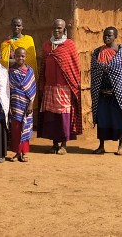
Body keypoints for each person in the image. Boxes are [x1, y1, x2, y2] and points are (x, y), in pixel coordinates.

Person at [37, 18, 82, 155]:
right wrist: (42, 85)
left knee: (63, 116)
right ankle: (54, 144)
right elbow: (43, 66)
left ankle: (63, 144)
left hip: (64, 88)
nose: (57, 30)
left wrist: (75, 85)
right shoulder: (47, 45)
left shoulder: (69, 45)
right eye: (55, 28)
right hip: (50, 87)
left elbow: (75, 67)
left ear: (64, 30)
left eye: (59, 28)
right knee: (51, 116)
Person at [90, 26, 122, 156]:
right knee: (102, 119)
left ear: (115, 36)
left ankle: (121, 145)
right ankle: (101, 146)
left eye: (109, 35)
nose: (106, 37)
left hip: (117, 94)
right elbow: (95, 70)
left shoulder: (121, 52)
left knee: (118, 118)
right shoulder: (97, 52)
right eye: (105, 35)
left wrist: (116, 90)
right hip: (101, 92)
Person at [8, 47, 37, 162]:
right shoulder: (11, 72)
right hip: (15, 104)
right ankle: (17, 152)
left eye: (23, 56)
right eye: (18, 56)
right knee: (16, 129)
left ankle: (24, 152)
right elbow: (8, 89)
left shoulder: (30, 72)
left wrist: (31, 104)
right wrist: (9, 106)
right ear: (14, 57)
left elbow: (32, 89)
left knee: (25, 127)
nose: (20, 58)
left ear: (26, 57)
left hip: (26, 105)